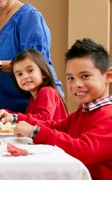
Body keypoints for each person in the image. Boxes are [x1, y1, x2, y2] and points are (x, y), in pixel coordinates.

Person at [14, 39, 112, 180]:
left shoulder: (108, 116)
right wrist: (20, 120)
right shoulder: (84, 111)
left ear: (108, 76)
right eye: (70, 78)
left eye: (85, 76)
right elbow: (58, 126)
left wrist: (35, 131)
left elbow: (82, 150)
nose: (76, 84)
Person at [0, 48, 67, 123]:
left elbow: (45, 118)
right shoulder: (33, 98)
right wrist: (8, 113)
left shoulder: (47, 91)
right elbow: (29, 119)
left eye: (30, 70)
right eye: (19, 74)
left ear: (43, 73)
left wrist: (14, 117)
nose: (25, 77)